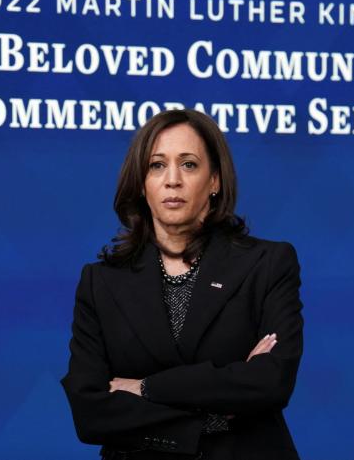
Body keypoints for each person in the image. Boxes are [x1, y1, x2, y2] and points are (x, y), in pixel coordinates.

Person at [60, 109, 304, 459]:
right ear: (141, 183)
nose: (172, 179)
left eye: (188, 164)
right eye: (157, 165)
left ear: (215, 180)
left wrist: (145, 387)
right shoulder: (101, 282)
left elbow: (270, 383)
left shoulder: (267, 264)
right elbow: (90, 412)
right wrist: (213, 416)